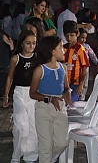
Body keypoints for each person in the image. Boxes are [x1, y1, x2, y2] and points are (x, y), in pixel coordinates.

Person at [29, 35, 72, 163]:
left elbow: (66, 87)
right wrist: (49, 99)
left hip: (60, 108)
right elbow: (32, 93)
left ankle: (50, 159)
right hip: (44, 109)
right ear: (53, 51)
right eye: (61, 47)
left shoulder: (62, 68)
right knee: (45, 146)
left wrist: (67, 95)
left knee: (62, 143)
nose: (64, 50)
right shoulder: (40, 70)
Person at [2, 30, 38, 163]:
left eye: (34, 43)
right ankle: (16, 156)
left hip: (34, 93)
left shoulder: (37, 58)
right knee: (21, 127)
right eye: (28, 43)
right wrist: (6, 96)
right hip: (19, 93)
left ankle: (31, 156)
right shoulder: (15, 58)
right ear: (22, 43)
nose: (31, 46)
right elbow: (10, 77)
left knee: (33, 126)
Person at [63, 20, 90, 102]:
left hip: (75, 84)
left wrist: (81, 84)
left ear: (77, 34)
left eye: (72, 35)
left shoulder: (80, 49)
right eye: (67, 36)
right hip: (64, 83)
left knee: (72, 103)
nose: (69, 38)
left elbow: (85, 68)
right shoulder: (63, 48)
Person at [78, 28, 98, 101]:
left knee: (85, 84)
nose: (83, 40)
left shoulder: (87, 46)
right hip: (78, 67)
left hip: (86, 67)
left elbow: (93, 56)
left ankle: (82, 98)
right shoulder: (75, 47)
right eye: (82, 38)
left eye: (85, 38)